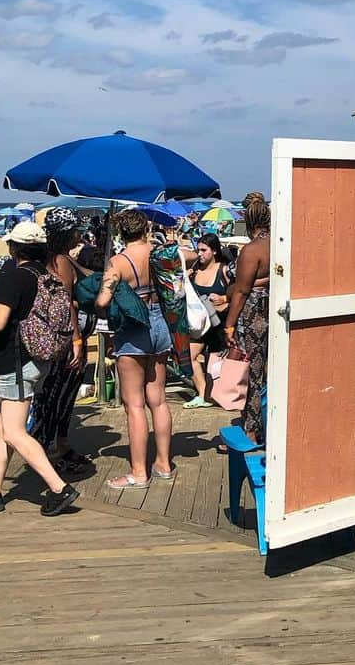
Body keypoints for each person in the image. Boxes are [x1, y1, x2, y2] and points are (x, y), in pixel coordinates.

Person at [0, 221, 80, 517]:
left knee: (13, 431)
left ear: (13, 247)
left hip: (17, 359)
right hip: (39, 358)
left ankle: (59, 488)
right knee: (2, 427)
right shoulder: (45, 275)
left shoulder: (12, 276)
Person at [95, 209, 174, 490]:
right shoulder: (159, 253)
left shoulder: (118, 262)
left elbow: (103, 300)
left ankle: (139, 472)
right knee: (159, 399)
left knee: (134, 405)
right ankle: (164, 463)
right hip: (160, 324)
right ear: (145, 229)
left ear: (121, 233)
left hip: (133, 330)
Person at [29, 208, 92, 476]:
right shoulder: (60, 261)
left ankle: (55, 446)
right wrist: (76, 338)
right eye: (76, 230)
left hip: (58, 339)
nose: (80, 234)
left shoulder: (53, 258)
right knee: (59, 396)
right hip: (66, 341)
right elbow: (66, 303)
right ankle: (53, 449)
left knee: (55, 395)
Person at [222, 192, 271, 447]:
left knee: (251, 374)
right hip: (274, 314)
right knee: (271, 373)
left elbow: (240, 291)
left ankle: (251, 431)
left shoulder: (251, 251)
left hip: (253, 317)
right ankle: (267, 424)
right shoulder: (279, 243)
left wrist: (229, 325)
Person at [185, 233, 231, 409]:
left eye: (204, 250)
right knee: (189, 356)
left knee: (218, 362)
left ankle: (220, 393)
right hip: (200, 324)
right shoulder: (195, 271)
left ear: (214, 251)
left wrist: (224, 298)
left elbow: (238, 292)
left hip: (220, 323)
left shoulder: (224, 270)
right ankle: (203, 393)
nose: (200, 254)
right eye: (198, 250)